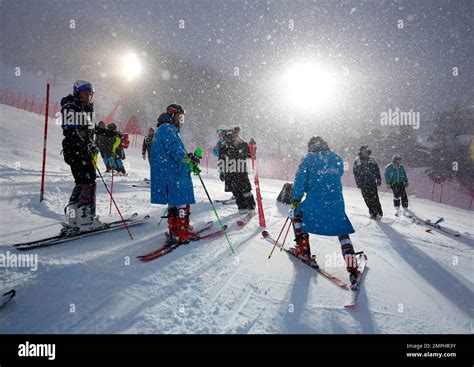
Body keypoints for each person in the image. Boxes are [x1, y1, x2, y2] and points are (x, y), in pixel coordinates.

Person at [290, 136, 360, 279]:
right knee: (342, 230)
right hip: (336, 203)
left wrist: (296, 200)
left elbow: (299, 182)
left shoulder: (307, 160)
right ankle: (352, 265)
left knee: (297, 215)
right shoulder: (336, 158)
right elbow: (339, 173)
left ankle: (304, 251)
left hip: (315, 203)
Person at [150, 104, 201, 244]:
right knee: (182, 203)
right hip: (175, 173)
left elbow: (174, 151)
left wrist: (188, 158)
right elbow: (175, 150)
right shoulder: (168, 129)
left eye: (182, 118)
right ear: (172, 116)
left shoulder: (163, 129)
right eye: (179, 117)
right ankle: (183, 232)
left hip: (169, 172)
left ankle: (174, 230)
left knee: (174, 204)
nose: (181, 121)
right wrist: (188, 159)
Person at [61, 80, 104, 231]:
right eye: (85, 93)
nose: (88, 97)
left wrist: (108, 133)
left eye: (90, 94)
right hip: (76, 151)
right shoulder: (70, 107)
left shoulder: (84, 108)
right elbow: (70, 131)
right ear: (77, 93)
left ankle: (74, 218)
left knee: (81, 182)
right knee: (89, 181)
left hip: (81, 150)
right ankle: (86, 218)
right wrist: (85, 144)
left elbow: (91, 129)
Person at [216, 127, 256, 213]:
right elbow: (221, 158)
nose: (232, 136)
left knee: (245, 190)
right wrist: (222, 171)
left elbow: (249, 155)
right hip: (231, 171)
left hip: (241, 171)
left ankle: (251, 207)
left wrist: (253, 148)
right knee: (236, 191)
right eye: (231, 134)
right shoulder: (225, 145)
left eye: (234, 134)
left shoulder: (242, 144)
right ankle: (242, 207)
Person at [353, 145, 383, 219]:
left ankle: (379, 213)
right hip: (363, 183)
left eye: (367, 151)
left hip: (372, 182)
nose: (366, 153)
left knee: (375, 198)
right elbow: (355, 173)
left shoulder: (372, 160)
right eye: (364, 151)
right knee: (367, 198)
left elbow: (377, 170)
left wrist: (378, 179)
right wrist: (358, 182)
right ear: (361, 152)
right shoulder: (357, 161)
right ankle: (372, 213)